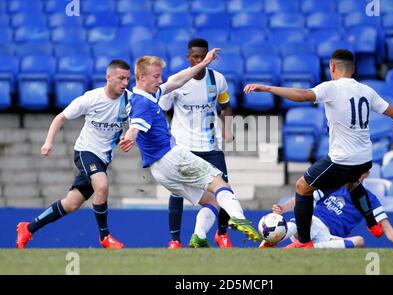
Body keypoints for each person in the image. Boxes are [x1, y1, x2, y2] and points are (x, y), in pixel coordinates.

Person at [244, 49, 393, 248]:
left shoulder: (332, 87)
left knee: (302, 187)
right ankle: (371, 223)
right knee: (352, 183)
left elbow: (301, 95)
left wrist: (267, 88)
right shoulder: (366, 90)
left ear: (332, 67)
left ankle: (304, 242)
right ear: (354, 69)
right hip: (365, 159)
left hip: (343, 159)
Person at [119, 50, 261, 245]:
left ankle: (199, 237)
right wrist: (130, 136)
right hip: (172, 157)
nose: (160, 80)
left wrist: (204, 64)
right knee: (220, 183)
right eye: (156, 76)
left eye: (160, 75)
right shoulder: (144, 103)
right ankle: (238, 216)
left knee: (212, 201)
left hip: (159, 171)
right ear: (141, 77)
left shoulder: (144, 95)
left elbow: (177, 81)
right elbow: (136, 125)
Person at [16, 60, 132, 249]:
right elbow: (60, 117)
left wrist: (126, 136)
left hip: (103, 158)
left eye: (128, 78)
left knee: (71, 204)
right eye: (121, 78)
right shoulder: (91, 98)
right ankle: (105, 237)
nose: (125, 82)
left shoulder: (129, 100)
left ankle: (28, 228)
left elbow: (131, 124)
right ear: (108, 77)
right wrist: (48, 142)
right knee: (102, 186)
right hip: (86, 151)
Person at [158, 38, 234, 249]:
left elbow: (226, 106)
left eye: (203, 56)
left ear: (209, 55)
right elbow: (161, 110)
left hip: (211, 146)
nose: (200, 60)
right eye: (195, 57)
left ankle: (222, 234)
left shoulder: (217, 79)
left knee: (224, 190)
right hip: (182, 147)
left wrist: (227, 129)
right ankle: (175, 240)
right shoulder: (177, 80)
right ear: (188, 57)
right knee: (177, 192)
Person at [260, 172, 393, 249]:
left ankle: (310, 248)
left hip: (328, 237)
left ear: (366, 174)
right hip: (311, 224)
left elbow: (387, 228)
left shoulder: (369, 199)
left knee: (360, 241)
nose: (355, 173)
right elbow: (305, 198)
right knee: (305, 220)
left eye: (360, 171)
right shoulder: (335, 185)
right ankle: (271, 240)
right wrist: (283, 208)